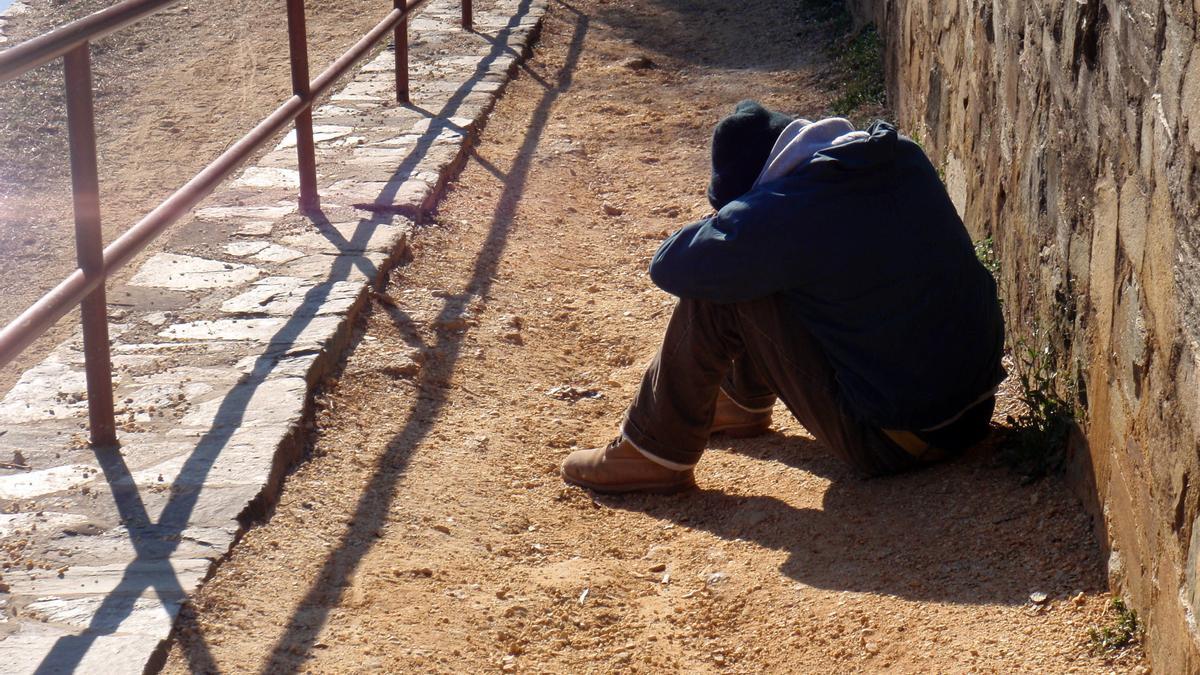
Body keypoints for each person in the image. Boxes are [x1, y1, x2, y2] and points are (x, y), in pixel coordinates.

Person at [560, 100, 1006, 493]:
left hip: (898, 441)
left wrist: (737, 220)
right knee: (782, 270)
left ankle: (652, 451)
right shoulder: (899, 157)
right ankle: (741, 402)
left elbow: (670, 265)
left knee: (721, 283)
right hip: (972, 413)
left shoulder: (792, 209)